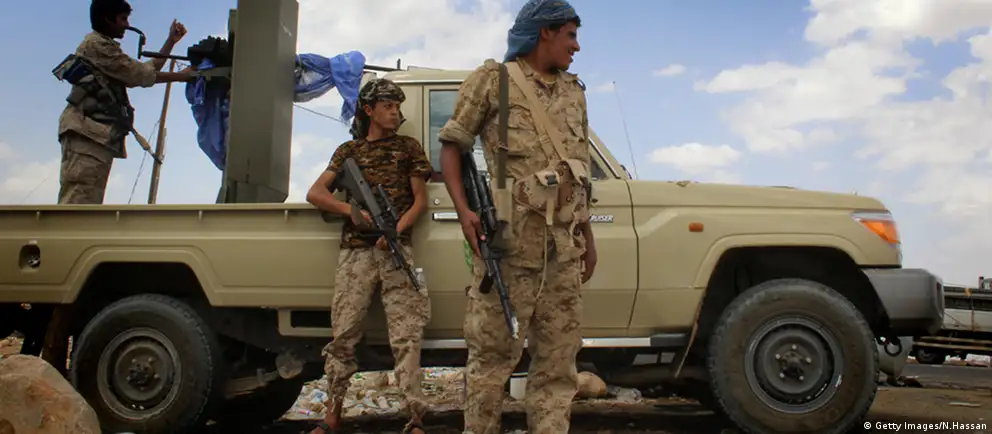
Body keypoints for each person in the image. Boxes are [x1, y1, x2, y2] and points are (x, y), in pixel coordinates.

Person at [437, 0, 597, 432]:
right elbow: (452, 146)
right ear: (545, 32)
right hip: (509, 250)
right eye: (570, 35)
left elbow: (579, 172)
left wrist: (587, 237)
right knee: (491, 364)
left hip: (562, 253)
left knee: (558, 367)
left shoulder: (575, 92)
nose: (576, 47)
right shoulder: (494, 81)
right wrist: (465, 212)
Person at [305, 78, 433, 434]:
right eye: (388, 106)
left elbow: (420, 202)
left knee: (407, 335)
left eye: (397, 106)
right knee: (343, 335)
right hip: (356, 254)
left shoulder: (408, 147)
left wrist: (394, 231)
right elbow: (316, 193)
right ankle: (332, 416)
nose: (395, 113)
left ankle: (415, 418)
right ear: (368, 110)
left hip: (395, 250)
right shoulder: (349, 151)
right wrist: (350, 211)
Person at [57, 0, 194, 205]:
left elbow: (145, 70)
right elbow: (140, 75)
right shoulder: (97, 45)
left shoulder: (103, 47)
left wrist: (171, 42)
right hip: (86, 133)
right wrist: (182, 76)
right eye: (123, 19)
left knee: (88, 203)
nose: (127, 25)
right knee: (79, 203)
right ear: (107, 19)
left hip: (94, 134)